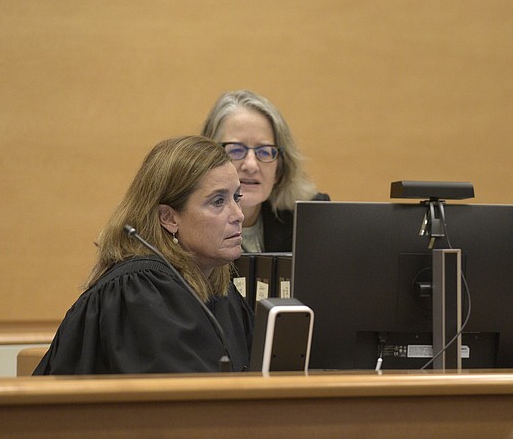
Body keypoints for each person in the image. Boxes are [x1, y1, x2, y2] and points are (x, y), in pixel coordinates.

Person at [34, 136, 254, 374]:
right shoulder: (139, 292)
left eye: (237, 198)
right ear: (168, 218)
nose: (238, 215)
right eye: (218, 201)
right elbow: (177, 404)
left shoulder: (219, 288)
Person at [201, 90, 329, 253]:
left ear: (280, 168)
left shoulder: (309, 219)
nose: (251, 165)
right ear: (206, 158)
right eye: (236, 150)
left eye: (264, 151)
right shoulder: (186, 227)